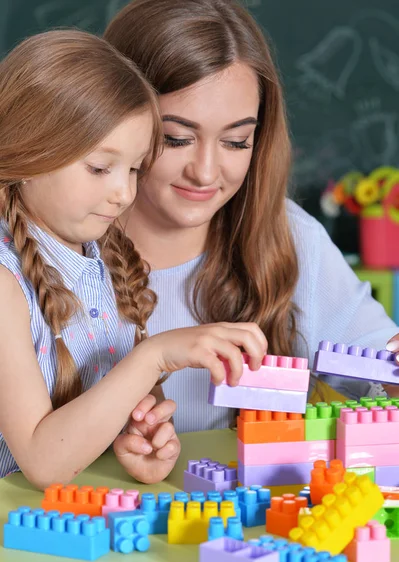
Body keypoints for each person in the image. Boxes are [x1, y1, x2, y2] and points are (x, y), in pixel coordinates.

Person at [104, 0, 399, 448]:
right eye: (176, 138)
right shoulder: (39, 250)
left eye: (236, 141)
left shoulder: (289, 237)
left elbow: (380, 370)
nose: (205, 172)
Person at [0, 29, 267, 487]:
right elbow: (42, 462)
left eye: (135, 169)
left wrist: (133, 436)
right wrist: (154, 357)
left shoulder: (96, 254)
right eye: (100, 168)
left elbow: (77, 435)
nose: (124, 194)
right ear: (30, 151)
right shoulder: (5, 283)